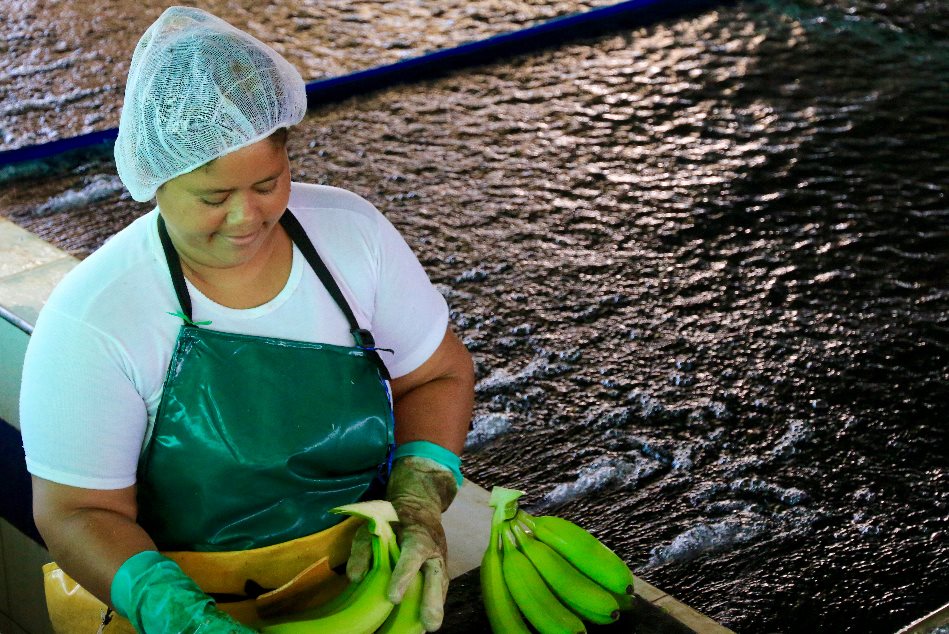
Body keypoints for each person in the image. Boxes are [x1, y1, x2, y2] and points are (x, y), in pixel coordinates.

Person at [20, 6, 473, 633]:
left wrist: (419, 498)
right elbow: (73, 512)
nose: (246, 218)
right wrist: (171, 611)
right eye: (213, 197)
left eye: (268, 182)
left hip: (355, 582)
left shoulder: (352, 236)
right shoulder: (96, 317)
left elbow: (437, 376)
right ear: (154, 180)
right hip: (176, 601)